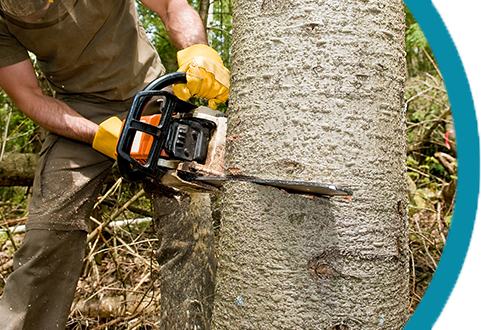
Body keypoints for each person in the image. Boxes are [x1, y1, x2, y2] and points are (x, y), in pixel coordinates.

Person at [0, 0, 229, 329]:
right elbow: (28, 95)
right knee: (49, 231)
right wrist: (99, 135)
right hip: (74, 111)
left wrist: (198, 50)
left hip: (151, 97)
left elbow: (170, 5)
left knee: (188, 226)